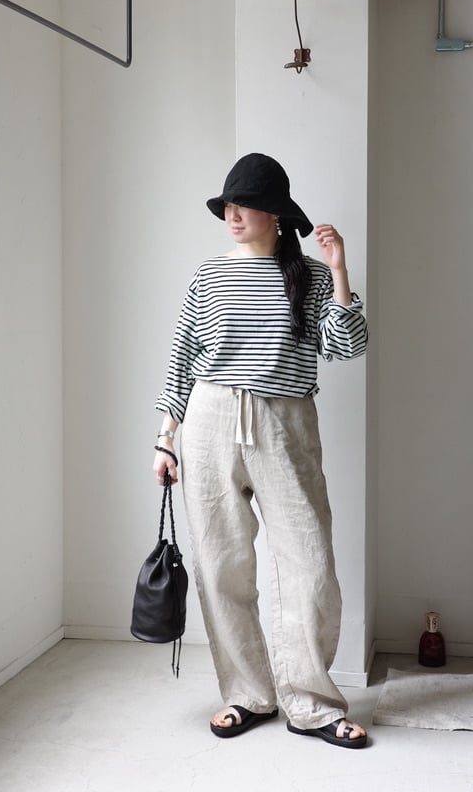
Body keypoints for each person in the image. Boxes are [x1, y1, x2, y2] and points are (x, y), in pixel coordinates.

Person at [152, 152, 369, 749]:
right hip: (210, 420)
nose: (232, 215)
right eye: (227, 205)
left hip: (285, 423)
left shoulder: (312, 276)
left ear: (276, 214)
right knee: (221, 565)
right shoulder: (208, 275)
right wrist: (165, 439)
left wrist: (340, 270)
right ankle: (247, 694)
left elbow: (346, 347)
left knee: (311, 565)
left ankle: (313, 705)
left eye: (243, 205)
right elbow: (181, 359)